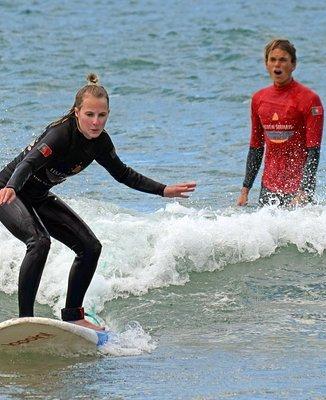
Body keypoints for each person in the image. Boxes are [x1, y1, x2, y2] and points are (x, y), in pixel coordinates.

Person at [0, 73, 196, 331]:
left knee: (90, 247)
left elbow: (123, 174)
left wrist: (163, 190)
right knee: (39, 242)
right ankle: (25, 320)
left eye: (101, 116)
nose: (95, 122)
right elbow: (28, 163)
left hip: (37, 195)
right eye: (89, 115)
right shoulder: (60, 134)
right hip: (7, 191)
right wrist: (12, 186)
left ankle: (72, 314)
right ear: (77, 112)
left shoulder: (100, 143)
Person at [237, 39, 324, 207]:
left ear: (294, 64)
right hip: (269, 187)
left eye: (283, 60)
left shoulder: (309, 99)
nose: (277, 64)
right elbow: (256, 147)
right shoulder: (258, 99)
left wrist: (304, 191)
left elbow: (314, 150)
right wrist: (245, 189)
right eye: (273, 59)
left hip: (298, 189)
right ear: (266, 63)